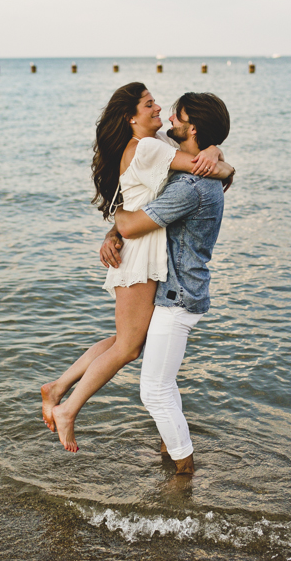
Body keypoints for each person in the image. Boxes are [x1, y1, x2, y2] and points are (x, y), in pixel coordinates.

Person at [41, 83, 234, 453]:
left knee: (124, 343)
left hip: (144, 250)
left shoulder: (154, 140)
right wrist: (219, 159)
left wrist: (214, 148)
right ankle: (67, 407)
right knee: (128, 348)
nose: (160, 107)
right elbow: (201, 167)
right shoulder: (146, 147)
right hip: (141, 254)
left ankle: (59, 388)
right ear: (131, 117)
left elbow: (197, 157)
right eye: (149, 104)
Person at [102, 91, 232, 475]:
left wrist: (116, 218)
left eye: (180, 116)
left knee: (153, 390)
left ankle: (184, 472)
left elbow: (131, 224)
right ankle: (170, 454)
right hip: (177, 292)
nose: (170, 118)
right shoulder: (192, 172)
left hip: (178, 300)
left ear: (191, 128)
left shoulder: (190, 187)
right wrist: (217, 154)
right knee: (165, 383)